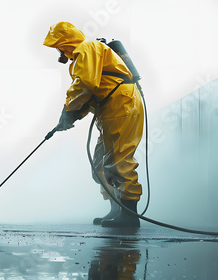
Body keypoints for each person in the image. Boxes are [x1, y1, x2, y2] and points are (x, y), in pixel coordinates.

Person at [43, 22, 144, 228]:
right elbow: (90, 94)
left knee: (118, 159)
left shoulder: (86, 48)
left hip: (122, 104)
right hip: (109, 110)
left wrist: (68, 110)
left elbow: (85, 84)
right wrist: (71, 117)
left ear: (66, 42)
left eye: (58, 46)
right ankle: (116, 210)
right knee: (100, 164)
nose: (59, 52)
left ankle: (129, 216)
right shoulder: (82, 56)